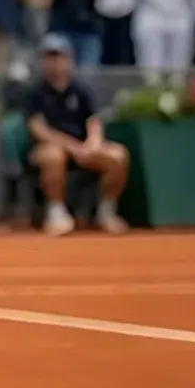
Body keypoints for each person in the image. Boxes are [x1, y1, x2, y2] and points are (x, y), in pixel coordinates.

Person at [24, 32, 130, 236]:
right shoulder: (34, 92)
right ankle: (56, 213)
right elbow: (39, 129)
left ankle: (106, 213)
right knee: (53, 156)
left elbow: (94, 122)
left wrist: (93, 144)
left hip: (83, 148)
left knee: (117, 155)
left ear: (69, 59)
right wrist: (73, 147)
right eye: (49, 57)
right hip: (48, 149)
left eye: (59, 56)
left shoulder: (81, 90)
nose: (55, 63)